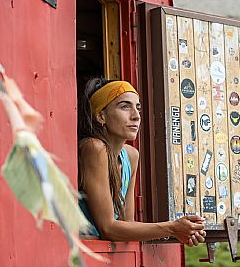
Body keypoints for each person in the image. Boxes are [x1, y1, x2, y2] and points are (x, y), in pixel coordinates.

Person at [78, 77, 206, 246]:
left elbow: (127, 224)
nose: (136, 116)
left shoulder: (131, 156)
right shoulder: (94, 148)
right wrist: (172, 228)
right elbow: (108, 227)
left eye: (137, 108)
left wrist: (178, 232)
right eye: (125, 107)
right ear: (101, 115)